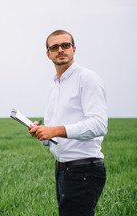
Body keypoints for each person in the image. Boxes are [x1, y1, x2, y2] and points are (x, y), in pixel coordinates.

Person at [29, 30, 107, 216]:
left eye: (65, 45)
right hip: (63, 169)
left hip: (84, 170)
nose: (60, 50)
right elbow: (52, 137)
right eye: (54, 47)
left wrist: (54, 130)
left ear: (74, 49)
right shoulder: (54, 86)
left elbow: (98, 124)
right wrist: (41, 133)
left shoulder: (87, 78)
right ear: (48, 54)